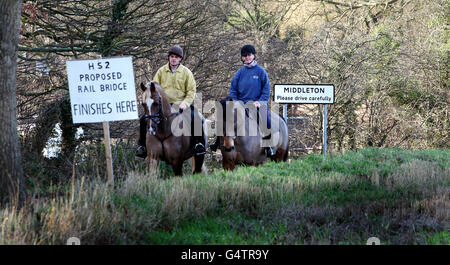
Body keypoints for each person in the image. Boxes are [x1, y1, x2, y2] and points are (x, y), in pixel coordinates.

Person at [136, 45, 206, 158]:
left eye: (176, 57)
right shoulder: (161, 71)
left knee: (197, 118)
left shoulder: (186, 72)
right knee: (144, 119)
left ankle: (198, 144)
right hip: (163, 106)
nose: (174, 59)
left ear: (180, 59)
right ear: (169, 57)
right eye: (172, 56)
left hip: (181, 104)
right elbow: (154, 87)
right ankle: (142, 147)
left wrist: (185, 103)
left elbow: (191, 91)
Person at [209, 44, 275, 156]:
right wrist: (235, 101)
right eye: (245, 56)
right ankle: (217, 143)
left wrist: (260, 101)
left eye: (249, 55)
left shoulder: (261, 72)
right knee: (225, 117)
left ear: (254, 55)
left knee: (267, 121)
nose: (247, 57)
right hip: (241, 104)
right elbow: (233, 89)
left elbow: (266, 90)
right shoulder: (239, 72)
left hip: (257, 103)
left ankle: (268, 146)